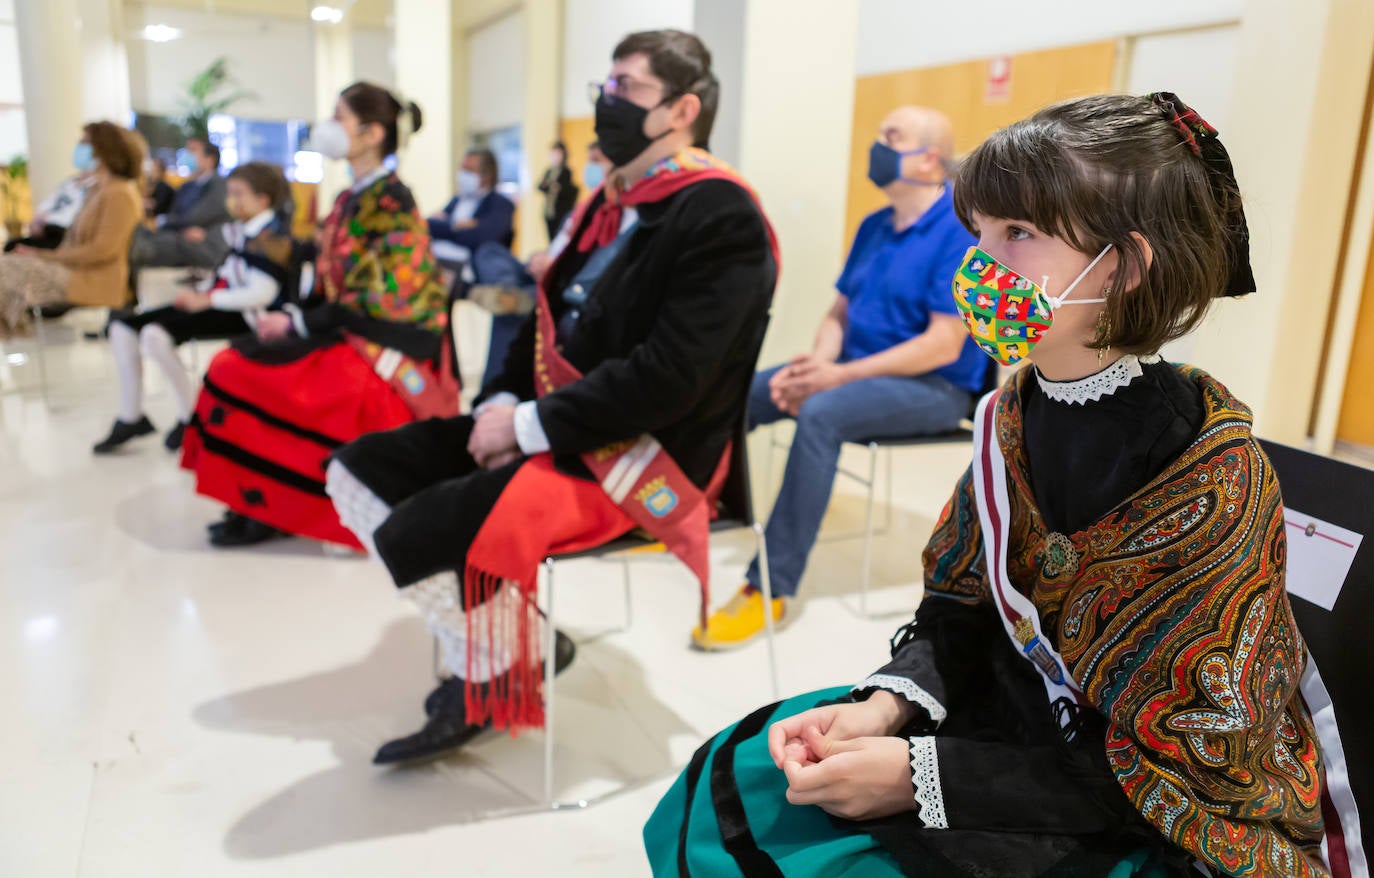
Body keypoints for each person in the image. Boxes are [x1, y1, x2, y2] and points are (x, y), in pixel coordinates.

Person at [647, 93, 1343, 877]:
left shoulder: (1213, 476)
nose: (977, 266)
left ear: (1125, 265)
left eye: (1018, 234)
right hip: (1001, 728)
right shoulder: (1008, 417)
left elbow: (1193, 764)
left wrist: (921, 777)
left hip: (1136, 813)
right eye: (976, 233)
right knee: (729, 781)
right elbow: (959, 608)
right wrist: (887, 706)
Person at [325, 29, 778, 765]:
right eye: (606, 83)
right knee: (357, 470)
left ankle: (496, 665)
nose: (605, 101)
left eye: (626, 87)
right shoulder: (614, 200)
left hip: (644, 453)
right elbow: (540, 317)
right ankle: (517, 647)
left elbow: (671, 377)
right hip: (560, 421)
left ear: (682, 109)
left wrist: (528, 425)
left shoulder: (719, 214)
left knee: (419, 532)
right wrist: (497, 404)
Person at [693, 106, 986, 650]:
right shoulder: (875, 225)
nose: (877, 145)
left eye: (891, 137)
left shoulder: (959, 227)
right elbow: (839, 313)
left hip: (934, 388)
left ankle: (769, 587)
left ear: (928, 159)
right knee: (745, 392)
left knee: (822, 415)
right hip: (852, 371)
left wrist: (833, 379)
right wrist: (814, 366)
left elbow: (943, 343)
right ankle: (688, 509)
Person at [179, 82, 454, 548]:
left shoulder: (391, 201)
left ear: (370, 134)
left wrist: (299, 323)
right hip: (348, 326)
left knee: (243, 372)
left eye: (338, 117)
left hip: (386, 339)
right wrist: (293, 314)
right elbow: (333, 277)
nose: (327, 126)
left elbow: (375, 297)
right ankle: (258, 501)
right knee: (236, 362)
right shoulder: (353, 197)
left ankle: (272, 504)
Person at [94, 161, 295, 455]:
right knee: (123, 327)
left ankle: (191, 415)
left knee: (154, 335)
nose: (232, 201)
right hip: (221, 301)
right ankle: (131, 414)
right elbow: (227, 274)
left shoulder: (272, 237)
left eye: (239, 194)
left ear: (262, 199)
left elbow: (261, 293)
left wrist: (207, 299)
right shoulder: (241, 231)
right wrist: (201, 291)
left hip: (247, 315)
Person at [0, 122, 143, 337]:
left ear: (104, 149)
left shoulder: (119, 193)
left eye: (85, 143)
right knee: (8, 264)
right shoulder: (98, 188)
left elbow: (102, 250)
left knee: (6, 271)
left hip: (92, 279)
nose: (79, 148)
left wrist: (43, 256)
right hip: (74, 269)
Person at [128, 137, 231, 272]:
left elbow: (195, 217)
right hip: (178, 234)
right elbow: (175, 213)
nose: (188, 155)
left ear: (210, 159)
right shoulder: (188, 186)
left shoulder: (219, 185)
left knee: (146, 247)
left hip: (200, 242)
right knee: (138, 235)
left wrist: (164, 222)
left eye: (193, 151)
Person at [426, 148, 515, 267]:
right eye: (463, 169)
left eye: (469, 170)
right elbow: (429, 226)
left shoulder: (500, 205)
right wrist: (456, 225)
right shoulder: (457, 200)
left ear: (487, 175)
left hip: (474, 270)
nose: (463, 174)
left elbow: (479, 238)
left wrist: (447, 226)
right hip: (440, 263)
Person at [2, 168, 95, 254]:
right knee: (11, 246)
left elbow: (76, 215)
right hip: (46, 229)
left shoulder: (95, 188)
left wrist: (46, 218)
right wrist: (36, 221)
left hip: (63, 232)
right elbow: (47, 204)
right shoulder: (69, 183)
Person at [537, 140, 579, 243]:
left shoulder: (566, 171)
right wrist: (552, 187)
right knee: (550, 240)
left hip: (560, 212)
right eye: (553, 154)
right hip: (549, 211)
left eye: (558, 154)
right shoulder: (549, 171)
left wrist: (551, 186)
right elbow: (540, 186)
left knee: (559, 240)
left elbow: (565, 190)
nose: (555, 157)